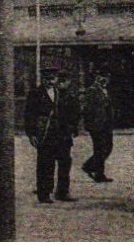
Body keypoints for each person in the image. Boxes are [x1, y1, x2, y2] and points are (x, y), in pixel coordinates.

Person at [24, 65, 73, 203]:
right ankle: (44, 193)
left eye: (52, 79)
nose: (50, 82)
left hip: (62, 134)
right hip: (45, 134)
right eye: (47, 79)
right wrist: (31, 134)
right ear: (42, 79)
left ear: (57, 79)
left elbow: (66, 113)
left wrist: (70, 130)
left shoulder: (60, 93)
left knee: (65, 162)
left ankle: (62, 191)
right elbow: (29, 115)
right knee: (46, 164)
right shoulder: (35, 93)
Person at [80, 69, 115, 183]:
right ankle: (98, 173)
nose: (104, 79)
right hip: (97, 125)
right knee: (100, 148)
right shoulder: (92, 91)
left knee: (108, 147)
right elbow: (87, 109)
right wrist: (90, 124)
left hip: (107, 124)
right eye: (101, 76)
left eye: (106, 77)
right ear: (96, 77)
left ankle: (90, 166)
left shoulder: (105, 90)